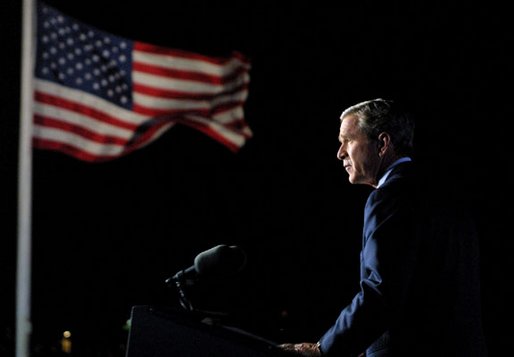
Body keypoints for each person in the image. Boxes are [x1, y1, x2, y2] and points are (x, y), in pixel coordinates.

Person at [278, 98, 488, 356]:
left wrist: (324, 350)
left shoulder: (390, 197)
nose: (340, 152)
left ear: (382, 144)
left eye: (348, 141)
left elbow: (381, 294)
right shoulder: (448, 195)